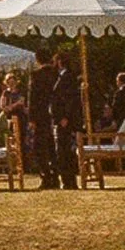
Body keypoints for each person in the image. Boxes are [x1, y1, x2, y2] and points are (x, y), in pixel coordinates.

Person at [37, 51, 81, 189]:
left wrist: (64, 117)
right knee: (61, 151)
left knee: (64, 151)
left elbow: (69, 100)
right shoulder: (61, 77)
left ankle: (69, 181)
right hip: (59, 119)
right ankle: (67, 180)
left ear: (60, 62)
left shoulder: (68, 78)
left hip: (64, 120)